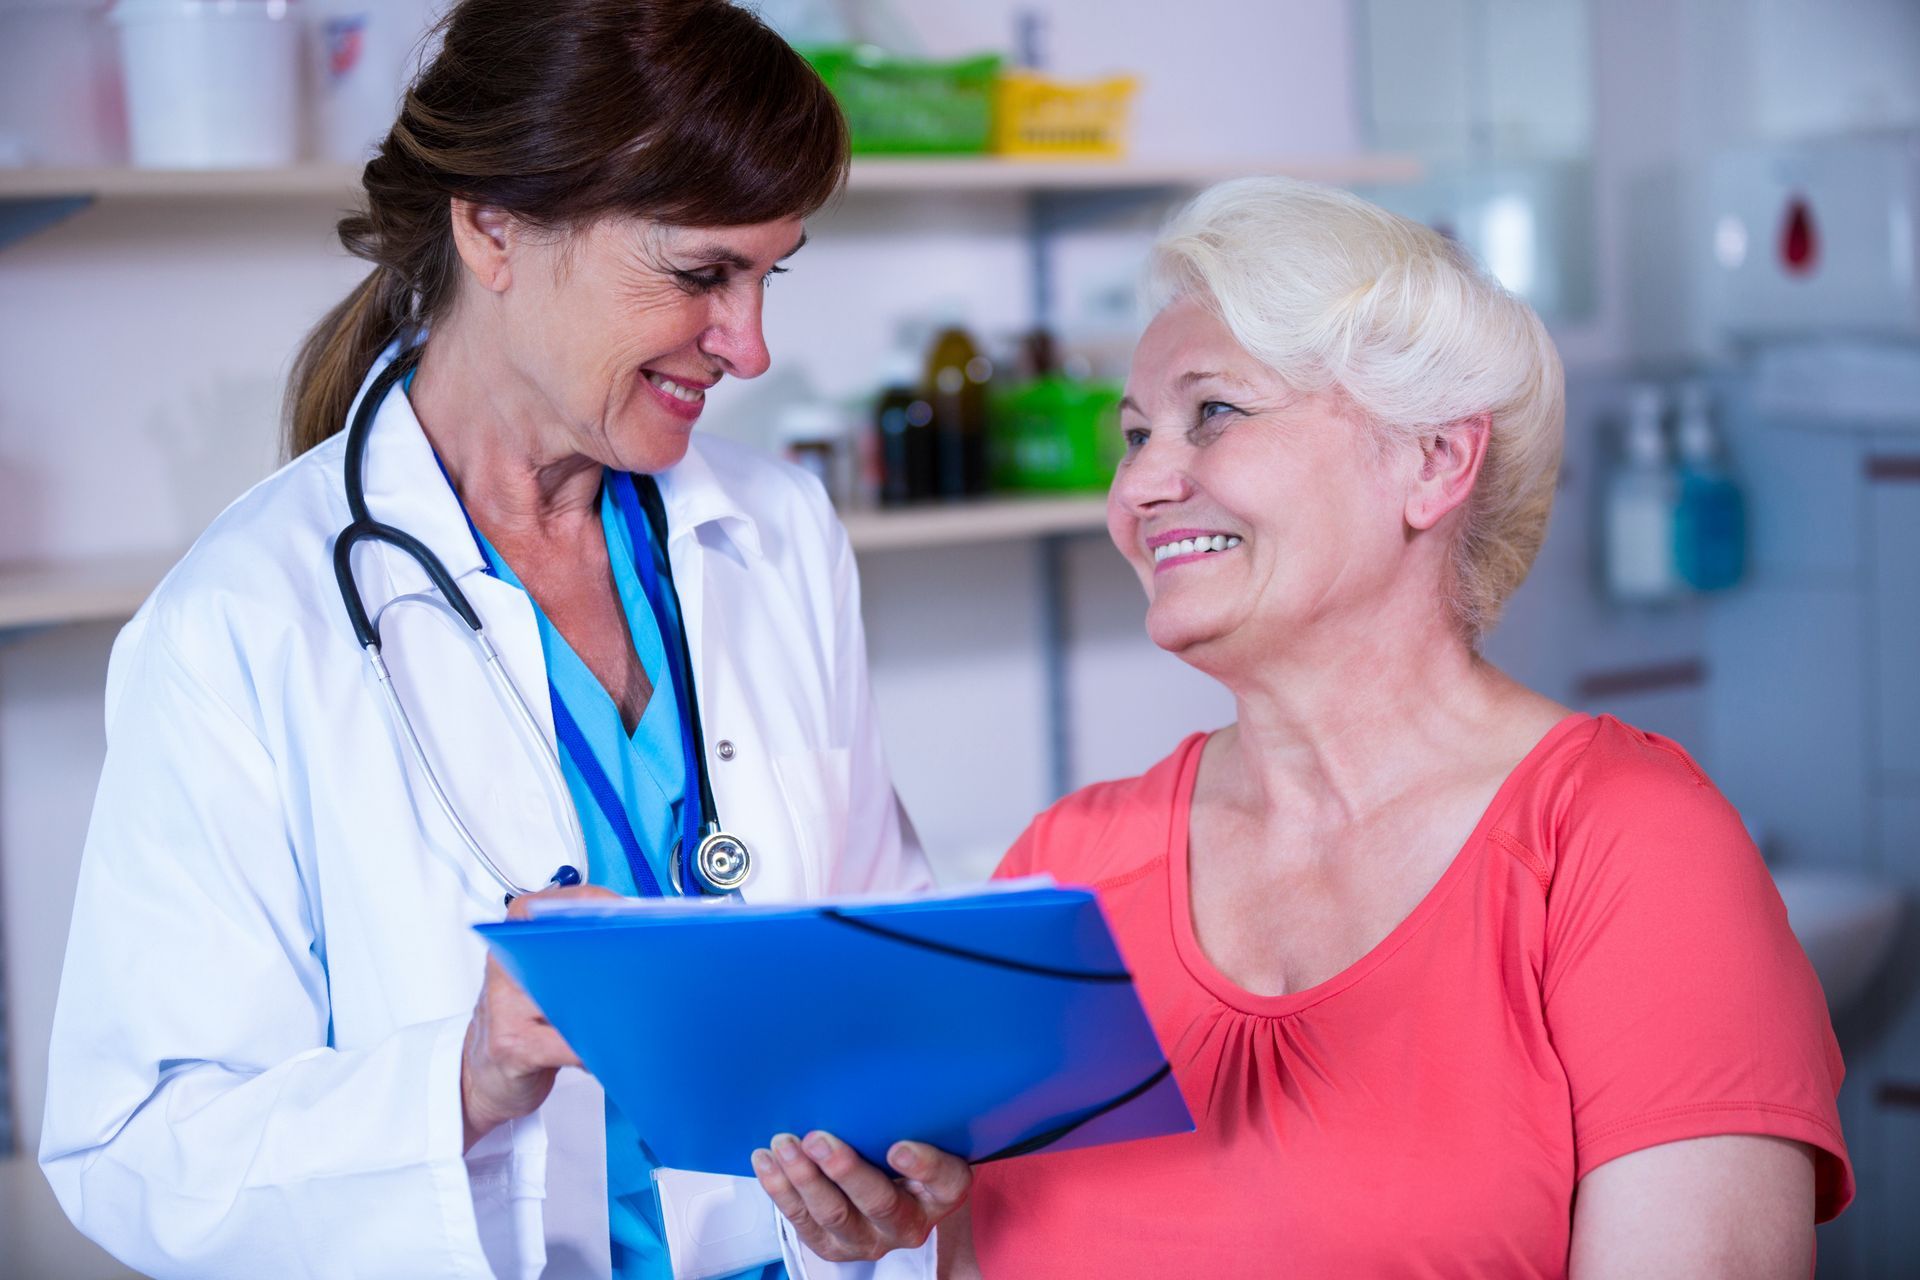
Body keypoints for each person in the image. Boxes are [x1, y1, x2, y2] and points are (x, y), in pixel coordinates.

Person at [39, 2, 968, 1276]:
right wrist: (467, 1078)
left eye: (771, 275)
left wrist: (896, 1166)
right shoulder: (244, 619)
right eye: (702, 274)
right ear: (492, 229)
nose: (751, 346)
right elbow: (136, 1150)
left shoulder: (778, 531)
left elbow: (879, 948)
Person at [944, 178, 1851, 1278]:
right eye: (1134, 435)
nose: (1138, 485)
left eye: (1213, 412)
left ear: (1433, 461)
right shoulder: (1065, 871)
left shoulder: (1625, 845)